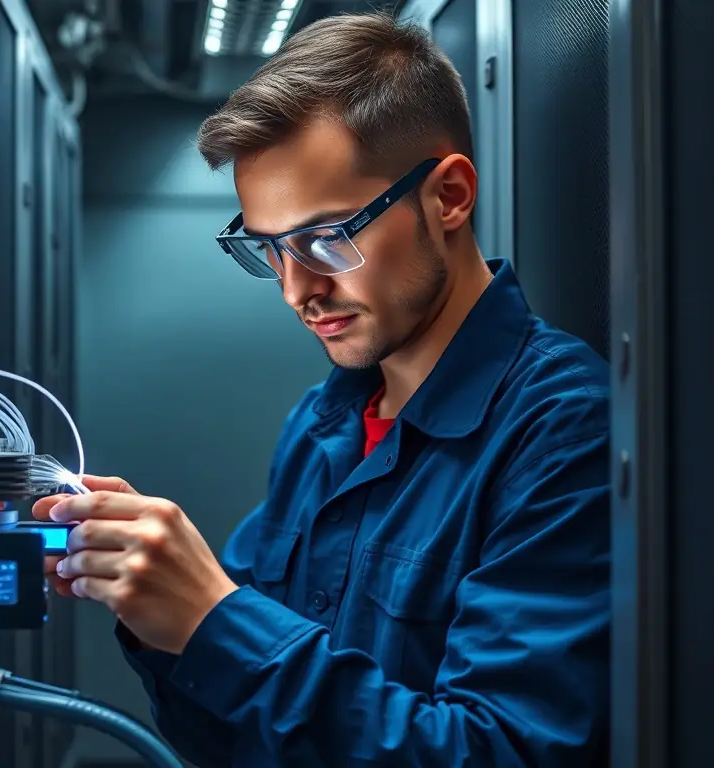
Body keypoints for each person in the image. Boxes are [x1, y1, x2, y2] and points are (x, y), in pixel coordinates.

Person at [33, 12, 610, 767]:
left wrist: (215, 620)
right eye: (269, 249)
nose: (297, 291)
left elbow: (497, 750)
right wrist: (157, 616)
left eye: (326, 239)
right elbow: (240, 735)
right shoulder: (322, 426)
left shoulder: (563, 430)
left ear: (449, 196)